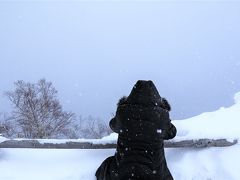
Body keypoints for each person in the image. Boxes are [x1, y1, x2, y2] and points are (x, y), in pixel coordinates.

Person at [95, 80, 177, 180]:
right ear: (156, 96)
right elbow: (172, 133)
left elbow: (113, 125)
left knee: (107, 166)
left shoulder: (123, 112)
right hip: (153, 174)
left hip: (123, 171)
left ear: (132, 94)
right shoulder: (161, 115)